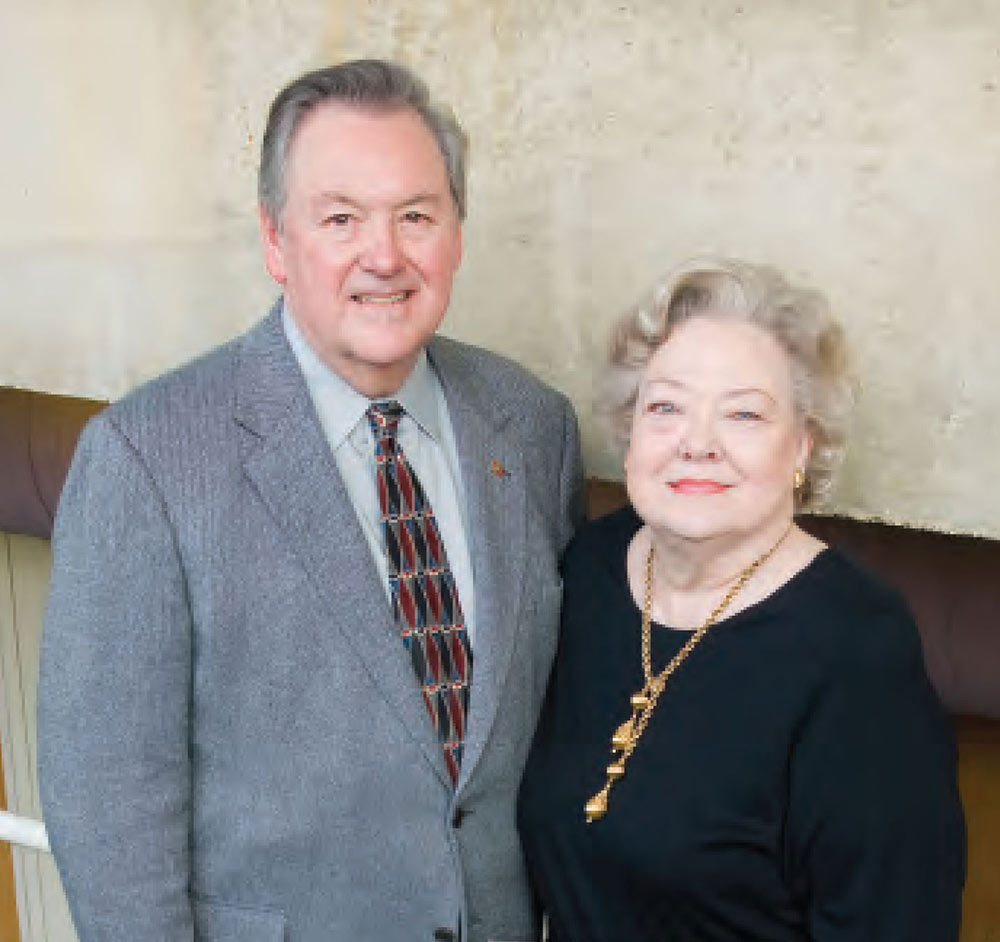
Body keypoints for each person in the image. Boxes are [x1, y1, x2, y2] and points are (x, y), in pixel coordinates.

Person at [38, 59, 583, 942]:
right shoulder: (145, 459)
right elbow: (108, 811)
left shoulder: (532, 427)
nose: (385, 255)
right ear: (275, 243)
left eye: (416, 215)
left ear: (456, 232)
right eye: (341, 218)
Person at [518, 258, 965, 940]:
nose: (697, 444)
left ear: (802, 445)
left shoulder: (857, 652)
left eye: (745, 414)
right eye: (666, 407)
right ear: (629, 429)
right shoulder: (589, 570)